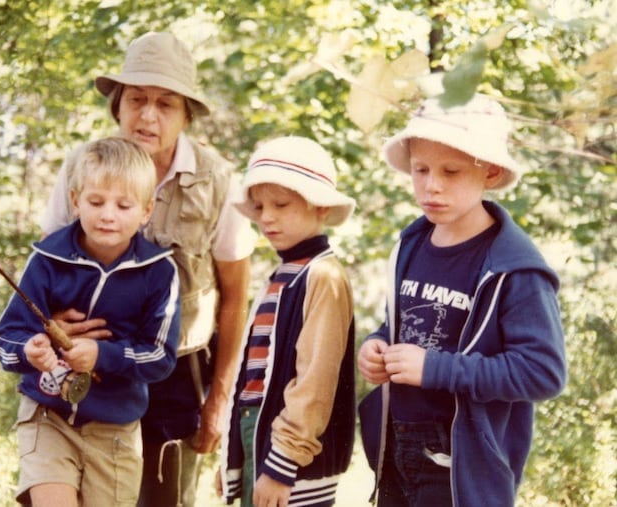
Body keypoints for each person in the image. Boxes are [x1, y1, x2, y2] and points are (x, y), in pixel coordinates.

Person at [39, 32, 256, 507]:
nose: (148, 115)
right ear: (118, 105)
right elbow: (45, 264)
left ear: (186, 114)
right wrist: (54, 320)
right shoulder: (81, 166)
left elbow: (236, 297)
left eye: (166, 103)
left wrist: (220, 399)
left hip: (175, 370)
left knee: (164, 497)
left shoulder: (218, 181)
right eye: (137, 99)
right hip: (85, 360)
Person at [356, 95, 567, 507]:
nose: (432, 185)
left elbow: (543, 372)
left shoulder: (514, 267)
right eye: (420, 170)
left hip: (460, 463)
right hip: (398, 444)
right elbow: (402, 324)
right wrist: (376, 344)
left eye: (450, 171)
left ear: (490, 171)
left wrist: (435, 368)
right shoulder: (410, 245)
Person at [0, 137, 181, 507]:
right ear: (76, 201)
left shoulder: (160, 273)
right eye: (96, 202)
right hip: (47, 416)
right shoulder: (46, 259)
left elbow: (160, 357)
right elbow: (4, 339)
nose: (108, 215)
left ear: (146, 210)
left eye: (123, 205)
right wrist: (30, 350)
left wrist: (102, 355)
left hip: (116, 432)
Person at [219, 136, 357, 507]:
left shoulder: (322, 276)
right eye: (260, 206)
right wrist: (233, 459)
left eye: (281, 204)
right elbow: (252, 382)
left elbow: (314, 380)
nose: (266, 217)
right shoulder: (281, 275)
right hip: (260, 437)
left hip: (294, 457)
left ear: (321, 208)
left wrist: (283, 465)